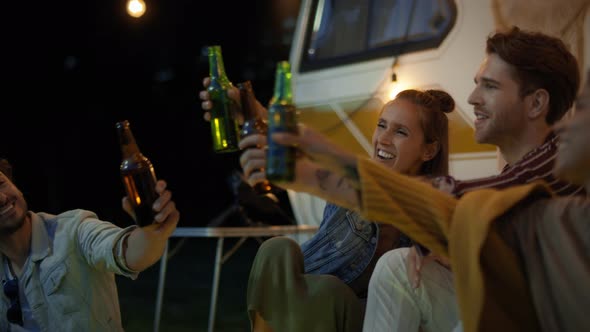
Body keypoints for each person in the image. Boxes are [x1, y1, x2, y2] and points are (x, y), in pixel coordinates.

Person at [266, 26, 585, 332]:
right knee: (395, 267)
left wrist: (314, 160)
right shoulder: (526, 168)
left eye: (489, 86)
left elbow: (457, 200)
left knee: (395, 267)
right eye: (477, 83)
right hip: (520, 310)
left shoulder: (552, 165)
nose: (472, 97)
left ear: (537, 103)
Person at [200, 84, 454, 298]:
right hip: (307, 295)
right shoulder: (355, 178)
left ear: (429, 150)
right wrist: (254, 115)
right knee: (276, 249)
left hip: (354, 312)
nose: (383, 139)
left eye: (400, 131)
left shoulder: (435, 210)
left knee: (331, 293)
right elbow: (315, 155)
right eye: (381, 125)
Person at [0, 159, 180, 331]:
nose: (2, 198)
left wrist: (152, 232)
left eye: (1, 184)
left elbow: (126, 252)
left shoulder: (73, 230)